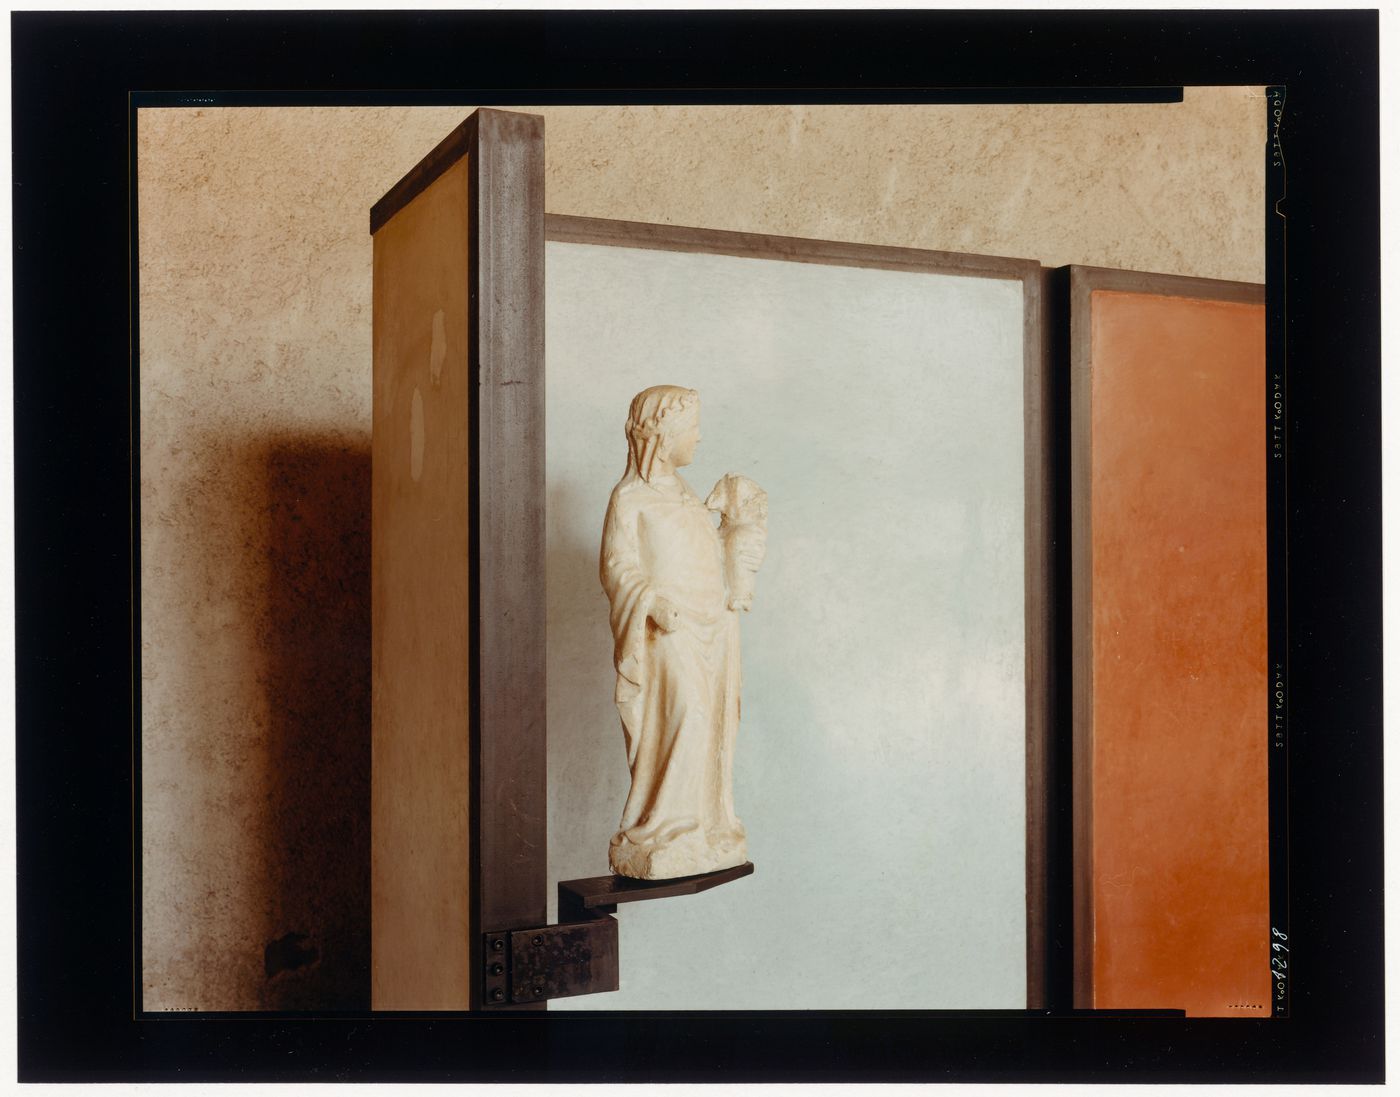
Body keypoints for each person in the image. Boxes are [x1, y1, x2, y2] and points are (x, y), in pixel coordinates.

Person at [599, 385, 758, 879]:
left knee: (712, 722)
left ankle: (706, 824)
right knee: (683, 715)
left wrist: (738, 528)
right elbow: (616, 565)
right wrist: (651, 601)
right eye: (691, 429)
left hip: (711, 628)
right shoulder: (630, 498)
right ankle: (663, 826)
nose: (699, 437)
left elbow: (704, 554)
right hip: (671, 628)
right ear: (663, 437)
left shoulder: (688, 496)